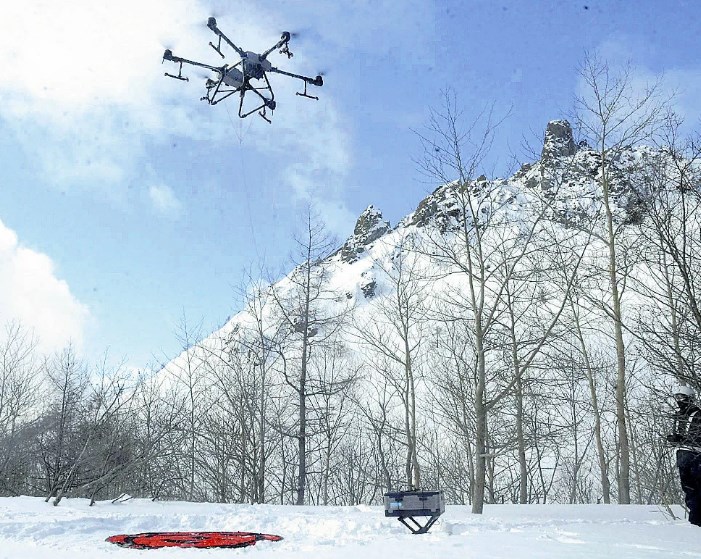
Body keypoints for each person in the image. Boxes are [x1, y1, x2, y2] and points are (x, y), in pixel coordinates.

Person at [667, 385, 701, 526]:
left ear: (689, 399)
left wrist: (683, 439)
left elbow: (697, 437)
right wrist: (674, 438)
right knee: (688, 489)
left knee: (697, 488)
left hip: (696, 456)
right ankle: (694, 520)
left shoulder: (698, 415)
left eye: (682, 397)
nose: (679, 400)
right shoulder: (678, 416)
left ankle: (696, 520)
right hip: (682, 456)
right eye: (677, 397)